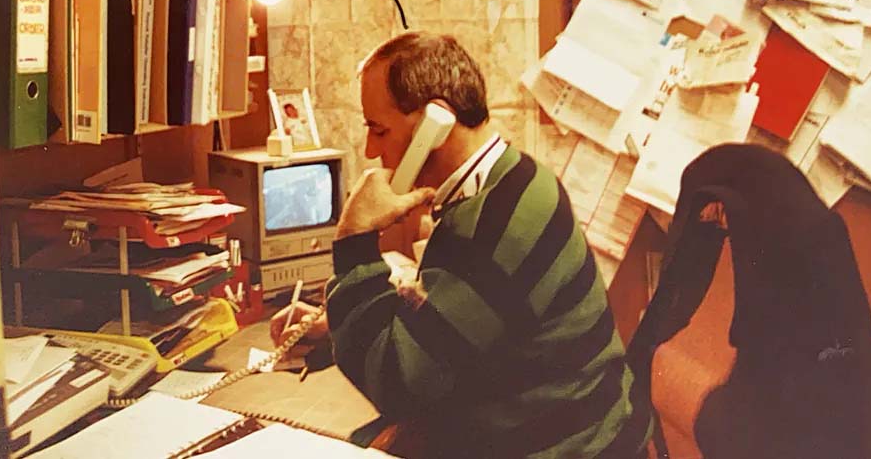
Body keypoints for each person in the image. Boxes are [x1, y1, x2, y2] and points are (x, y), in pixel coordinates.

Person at [271, 32, 652, 458]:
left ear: (436, 123)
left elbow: (399, 384)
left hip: (577, 447)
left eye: (379, 130)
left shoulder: (496, 221)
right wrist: (336, 329)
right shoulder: (511, 178)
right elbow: (450, 331)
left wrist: (354, 241)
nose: (370, 149)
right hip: (555, 422)